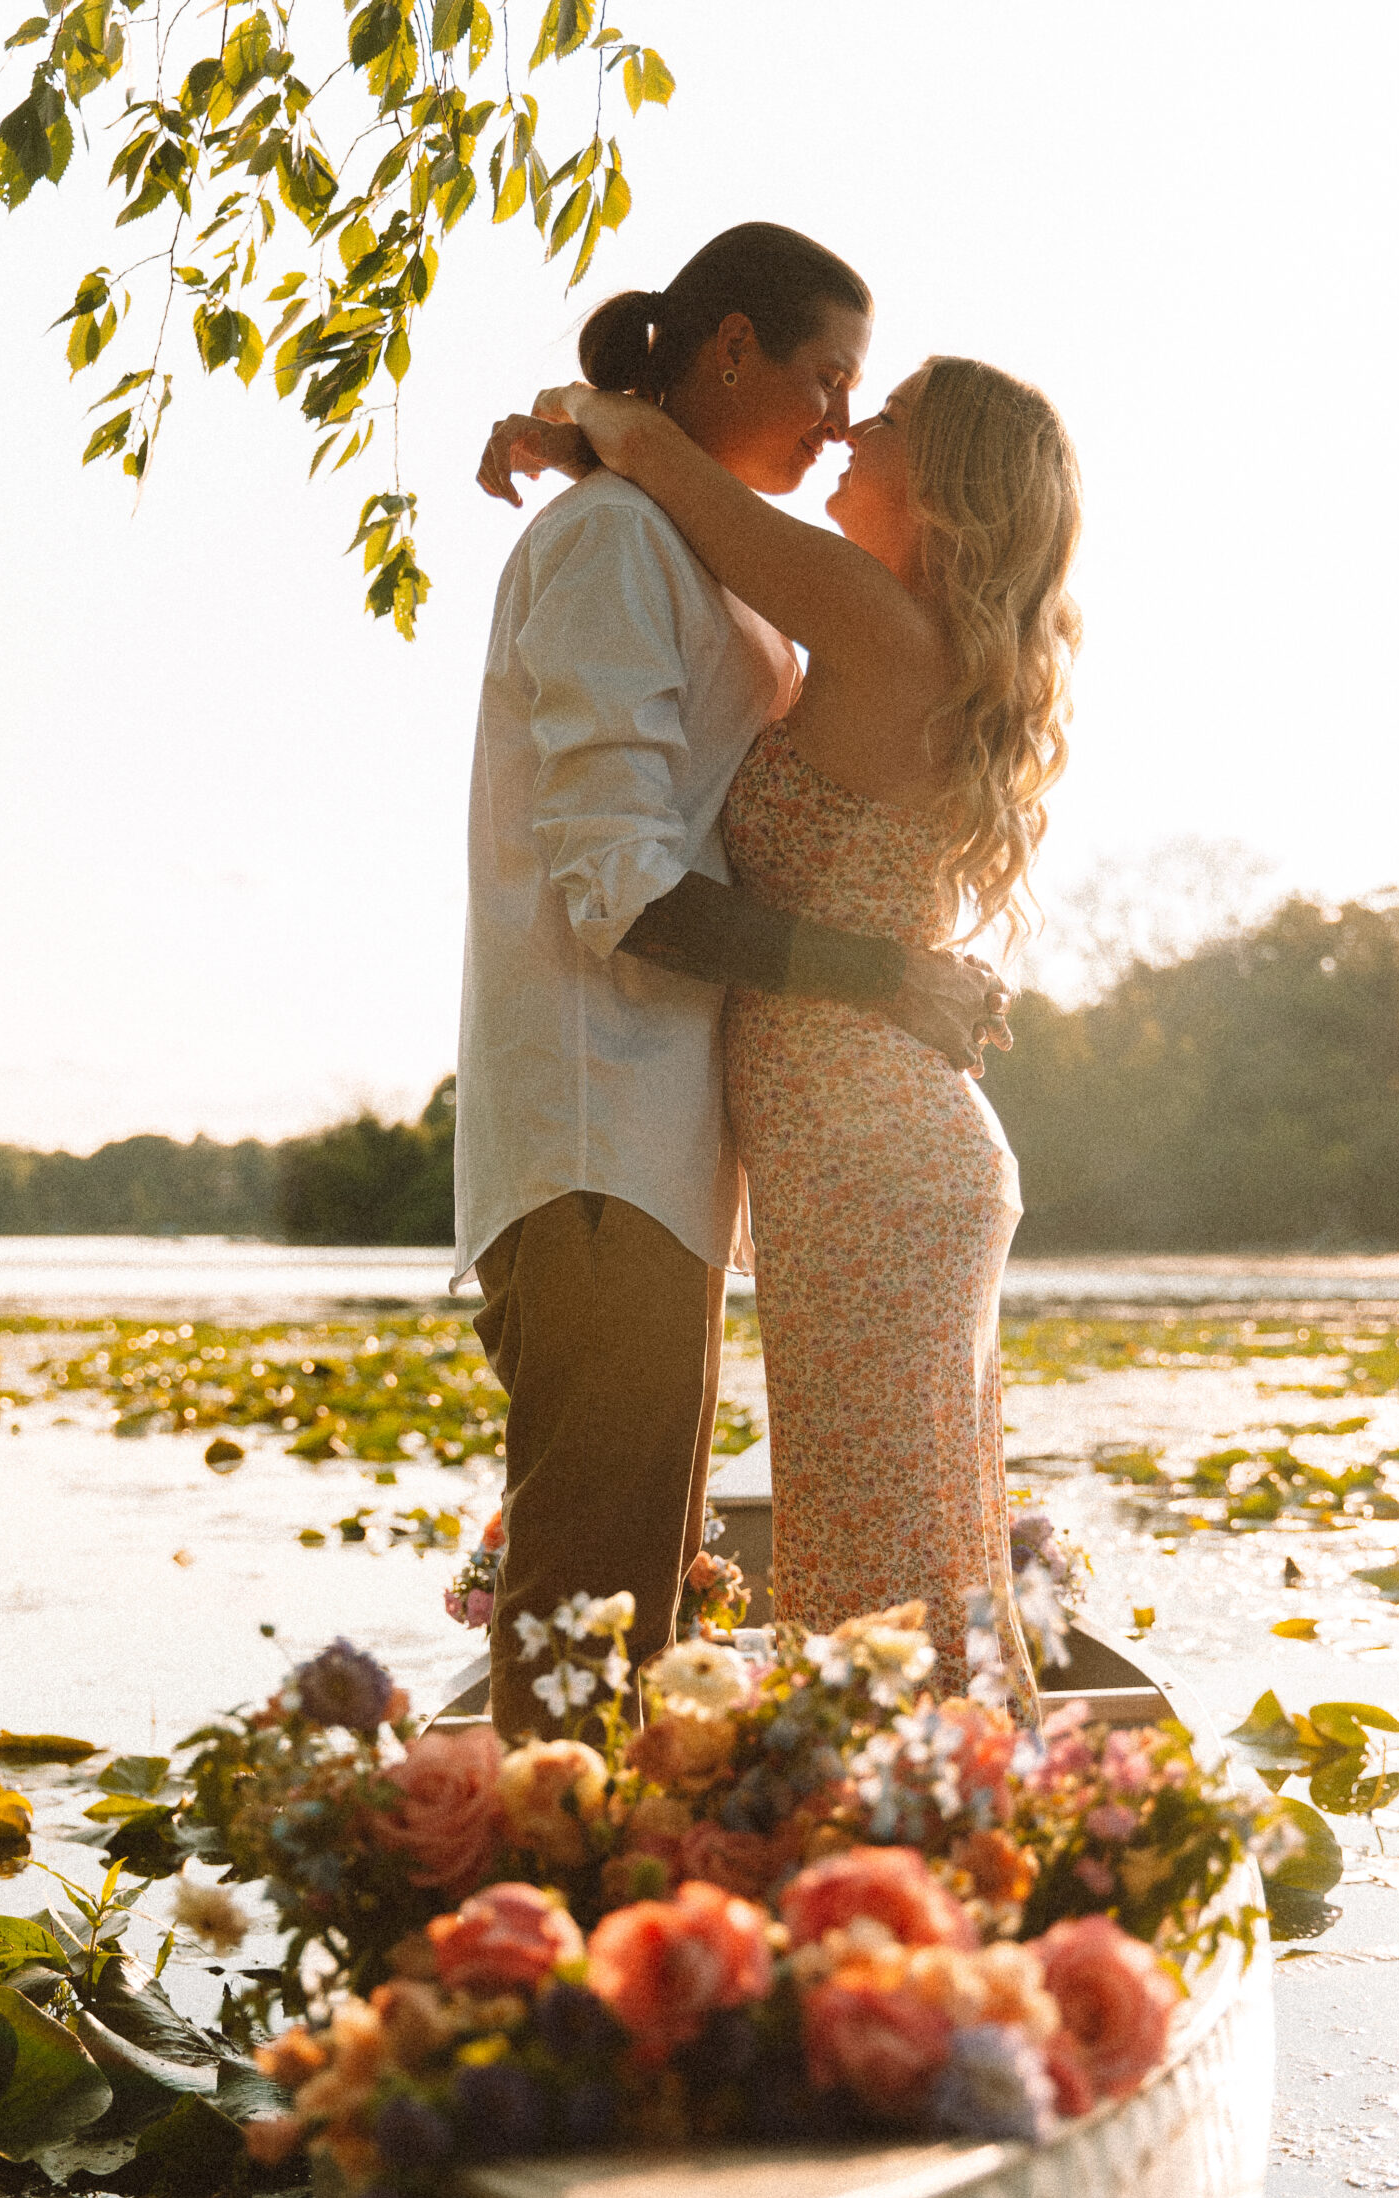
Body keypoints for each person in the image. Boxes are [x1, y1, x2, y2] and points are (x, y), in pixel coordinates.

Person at [455, 223, 1010, 1739]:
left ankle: (602, 1914)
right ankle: (550, 1936)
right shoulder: (613, 545)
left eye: (865, 400)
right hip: (591, 1135)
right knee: (591, 1600)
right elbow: (619, 885)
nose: (842, 417)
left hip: (674, 1144)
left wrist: (595, 433)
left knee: (631, 1594)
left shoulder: (686, 545)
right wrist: (878, 972)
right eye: (829, 378)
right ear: (730, 350)